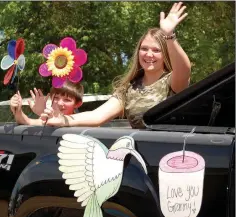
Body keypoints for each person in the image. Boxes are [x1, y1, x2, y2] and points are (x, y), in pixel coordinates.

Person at [40, 2, 191, 129]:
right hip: (141, 155)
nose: (149, 54)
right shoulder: (128, 89)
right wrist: (64, 120)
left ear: (165, 55)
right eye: (144, 49)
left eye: (156, 50)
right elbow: (97, 116)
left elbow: (185, 70)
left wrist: (169, 36)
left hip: (172, 156)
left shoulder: (172, 82)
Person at [10, 80, 84, 125]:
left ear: (77, 104)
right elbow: (27, 122)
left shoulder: (82, 121)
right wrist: (17, 109)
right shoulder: (48, 119)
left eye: (67, 100)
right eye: (56, 98)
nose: (59, 103)